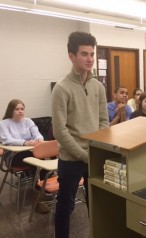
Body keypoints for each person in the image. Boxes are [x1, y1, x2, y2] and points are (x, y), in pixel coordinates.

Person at [52, 31, 109, 238]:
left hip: (93, 154)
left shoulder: (98, 87)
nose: (90, 59)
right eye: (84, 54)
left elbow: (104, 121)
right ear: (71, 56)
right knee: (65, 206)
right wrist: (84, 155)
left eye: (92, 54)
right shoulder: (62, 88)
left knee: (96, 202)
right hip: (70, 158)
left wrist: (97, 149)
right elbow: (60, 131)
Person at [0, 99, 43, 173]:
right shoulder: (3, 123)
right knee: (37, 161)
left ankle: (40, 182)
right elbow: (7, 139)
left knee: (40, 158)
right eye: (17, 109)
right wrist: (25, 142)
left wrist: (38, 140)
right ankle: (40, 182)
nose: (20, 111)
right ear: (11, 110)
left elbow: (37, 134)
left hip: (30, 152)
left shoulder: (28, 121)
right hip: (12, 156)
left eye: (22, 109)